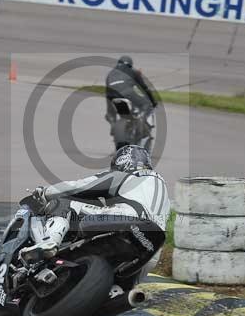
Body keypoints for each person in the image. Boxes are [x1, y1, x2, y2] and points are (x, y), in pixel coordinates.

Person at [19, 145, 170, 265]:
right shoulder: (162, 189)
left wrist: (45, 193)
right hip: (153, 247)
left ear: (122, 161)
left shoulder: (128, 175)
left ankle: (50, 241)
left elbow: (80, 186)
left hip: (127, 221)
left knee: (63, 204)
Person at [105, 56, 158, 150]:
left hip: (111, 95)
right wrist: (153, 101)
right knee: (146, 104)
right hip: (126, 92)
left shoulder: (110, 73)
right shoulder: (133, 71)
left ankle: (114, 124)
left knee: (111, 111)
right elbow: (144, 88)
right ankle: (142, 120)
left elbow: (107, 91)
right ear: (130, 65)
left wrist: (110, 112)